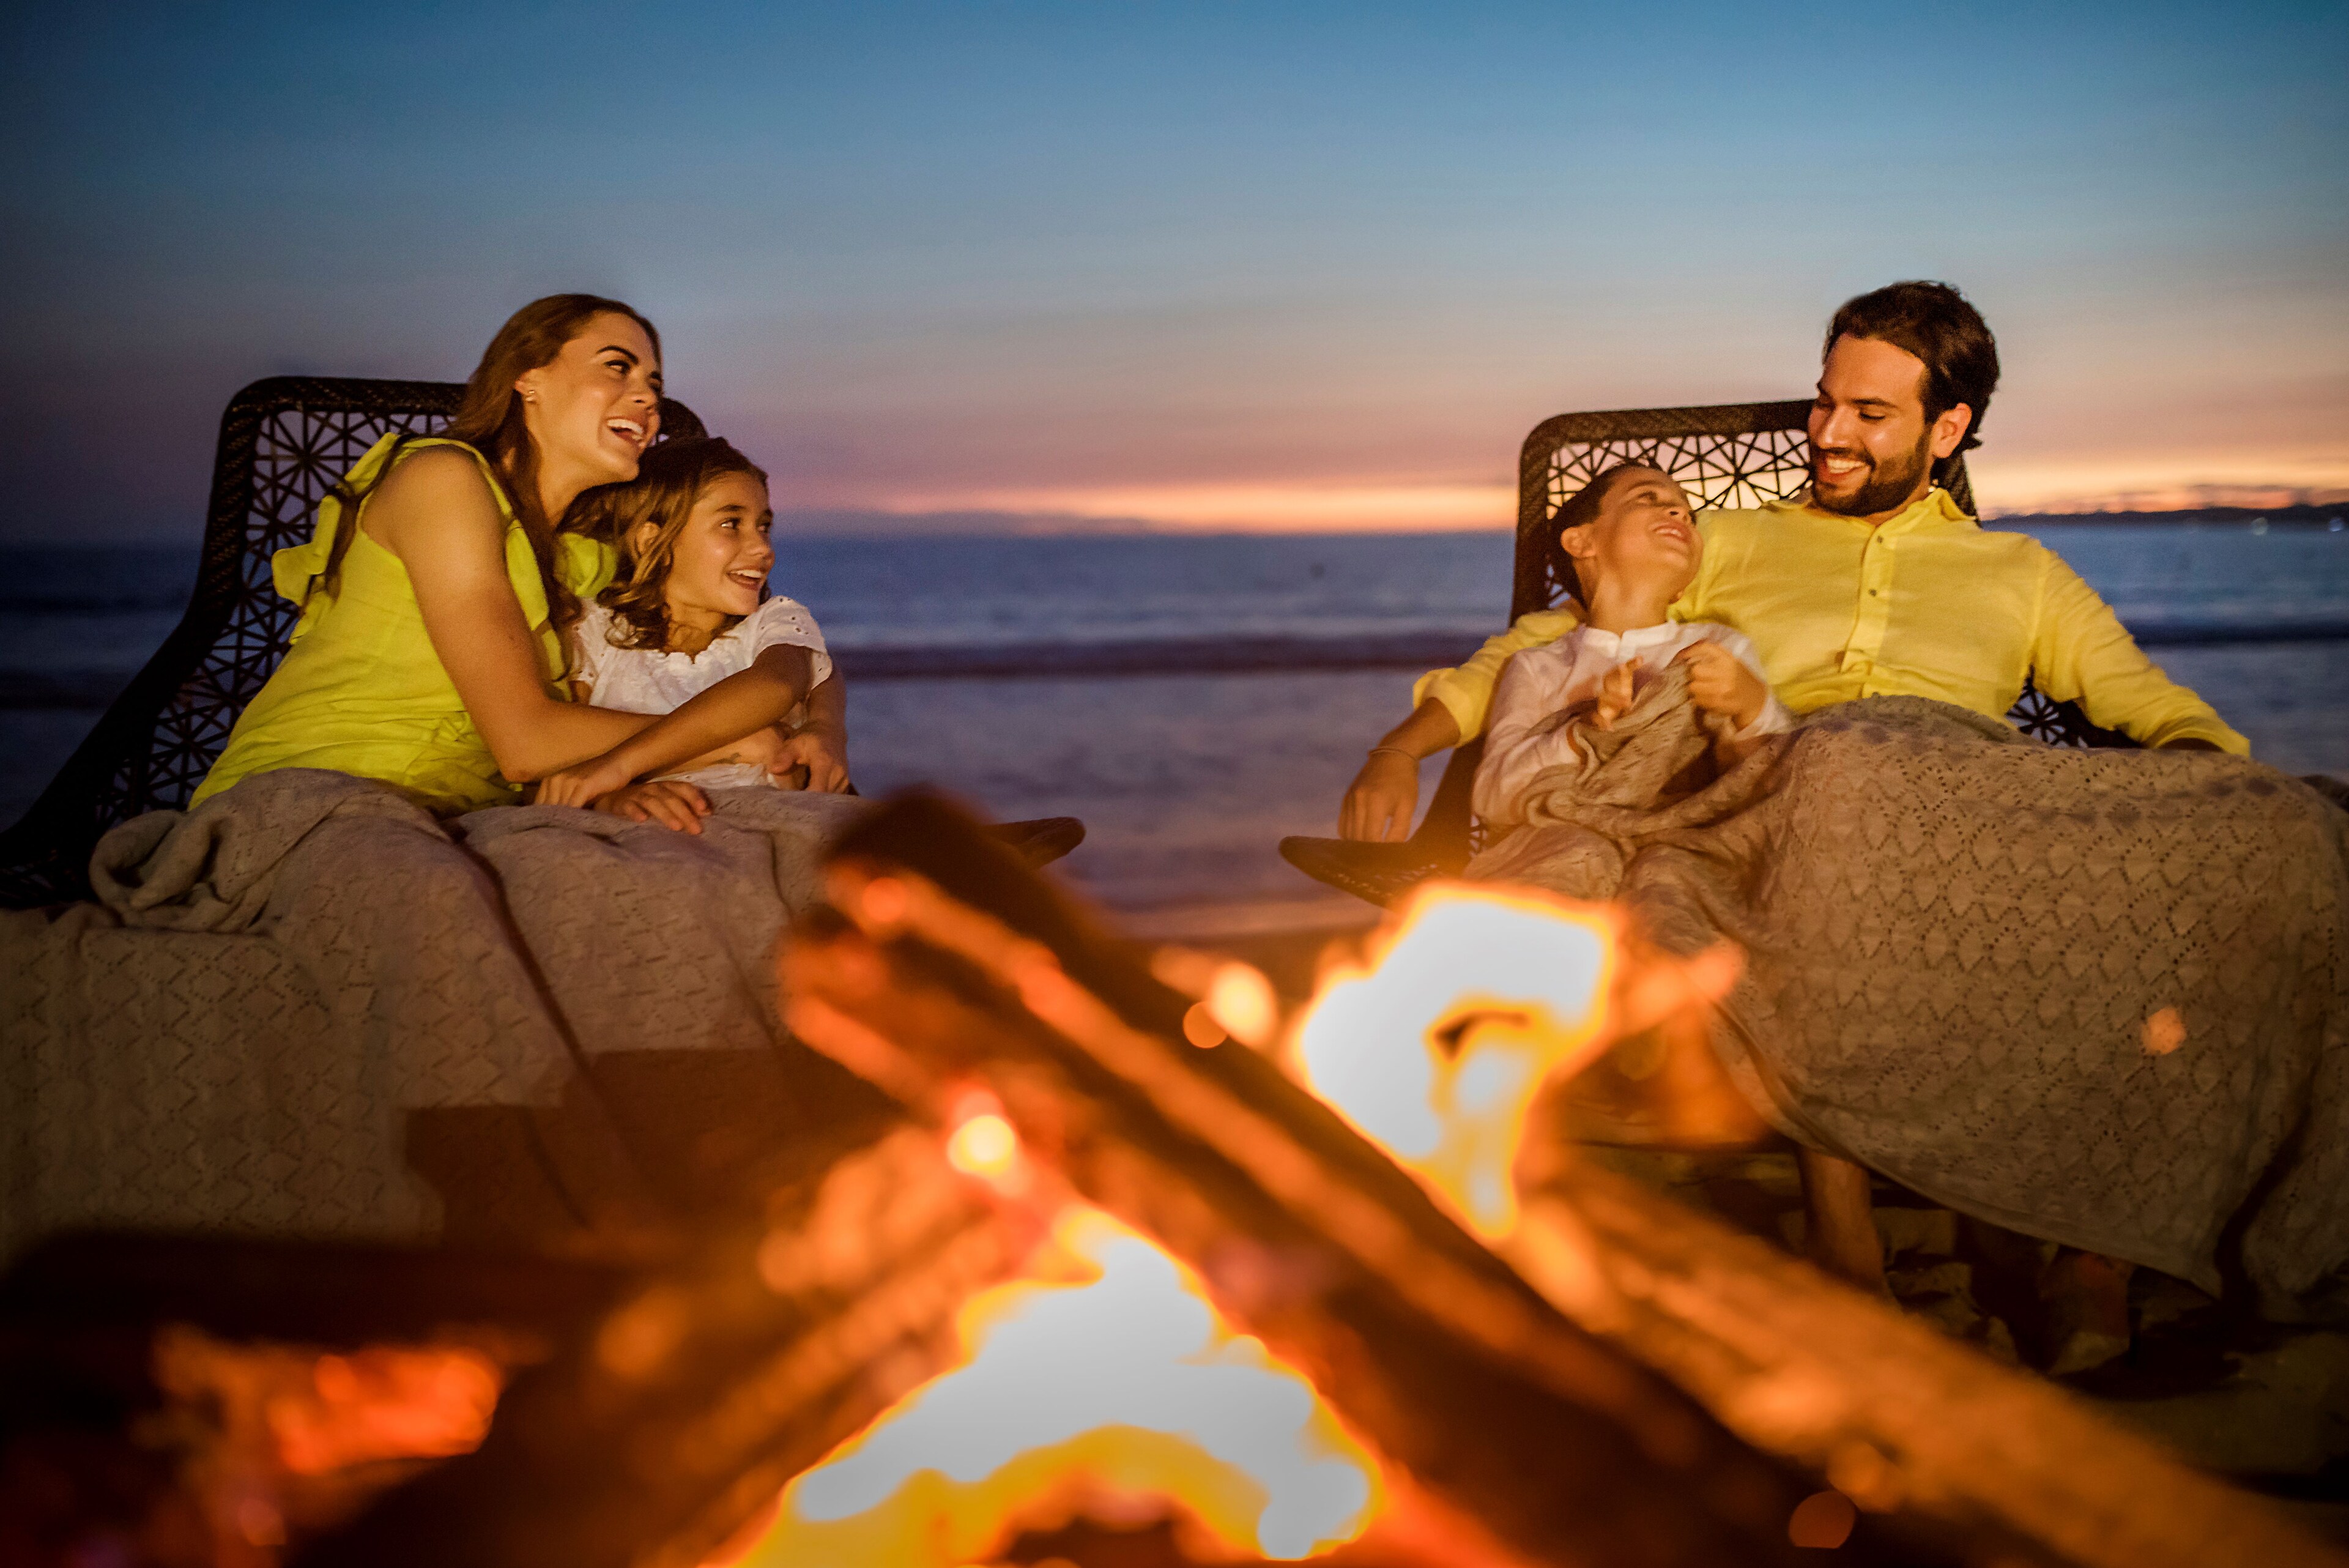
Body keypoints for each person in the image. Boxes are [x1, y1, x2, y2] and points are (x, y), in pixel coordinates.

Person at [1339, 280, 2244, 845]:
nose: (1828, 435)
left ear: (1949, 429)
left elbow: (2154, 709)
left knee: (2304, 833)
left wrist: (2209, 785)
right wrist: (1398, 749)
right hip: (1782, 798)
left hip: (1970, 812)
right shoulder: (1730, 539)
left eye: (1869, 414)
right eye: (1824, 403)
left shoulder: (2024, 573)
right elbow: (1553, 643)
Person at [193, 294, 792, 814]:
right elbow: (526, 741)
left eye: (654, 386)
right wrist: (730, 741)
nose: (647, 401)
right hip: (322, 795)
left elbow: (776, 634)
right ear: (528, 377)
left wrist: (822, 726)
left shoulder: (582, 557)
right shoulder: (443, 481)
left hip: (478, 821)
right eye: (618, 369)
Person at [535, 436, 850, 833]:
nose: (762, 547)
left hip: (768, 820)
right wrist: (610, 796)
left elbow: (775, 685)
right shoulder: (597, 632)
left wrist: (619, 766)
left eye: (764, 525)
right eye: (730, 524)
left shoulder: (774, 623)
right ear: (653, 540)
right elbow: (565, 754)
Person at [1471, 463, 1794, 829]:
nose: (1681, 513)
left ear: (1683, 587)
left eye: (1689, 514)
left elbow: (1772, 786)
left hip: (1686, 842)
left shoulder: (1717, 648)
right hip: (1572, 848)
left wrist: (1752, 707)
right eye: (1648, 497)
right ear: (1582, 542)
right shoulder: (1538, 667)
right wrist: (1586, 734)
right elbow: (1491, 798)